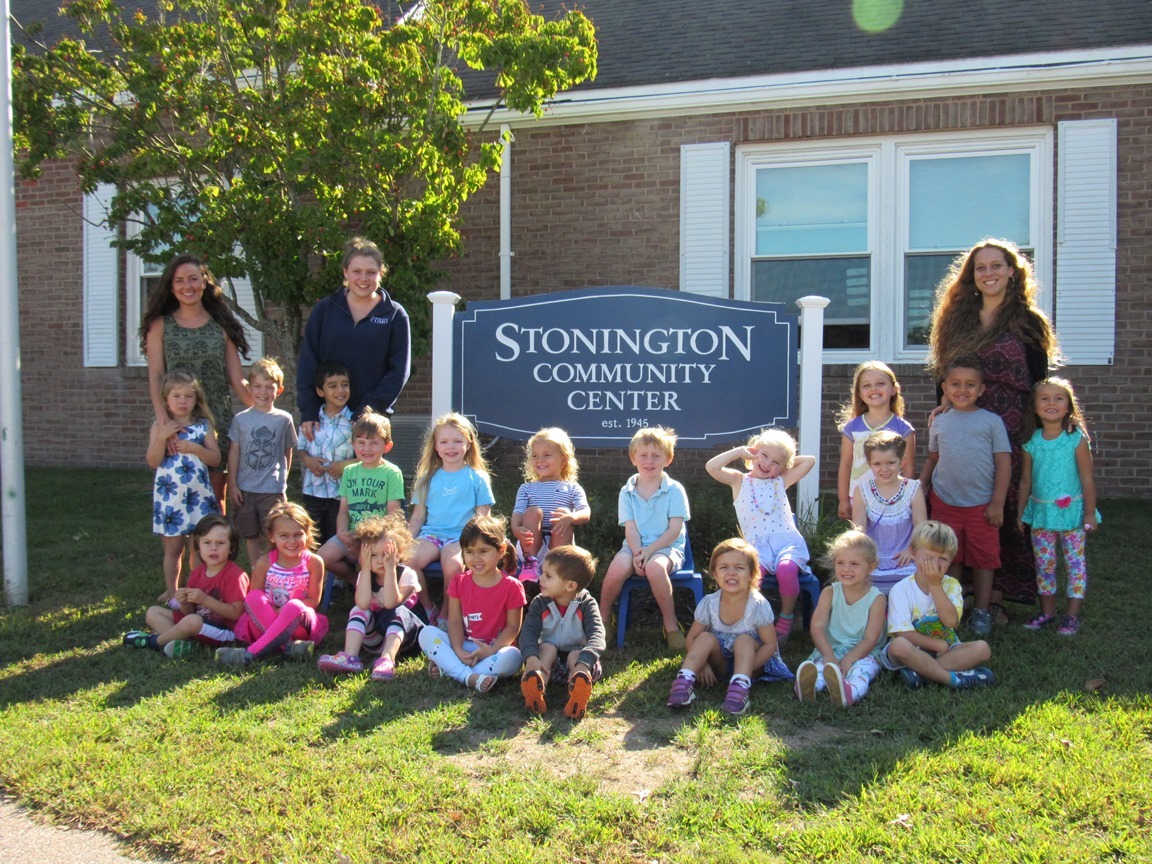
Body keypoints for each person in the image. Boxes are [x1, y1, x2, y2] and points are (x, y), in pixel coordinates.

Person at [928, 238, 1060, 612]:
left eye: (997, 265)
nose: (989, 273)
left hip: (1014, 424)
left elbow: (1039, 379)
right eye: (981, 267)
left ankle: (1000, 594)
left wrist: (1044, 427)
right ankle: (961, 589)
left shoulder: (1028, 321)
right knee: (961, 497)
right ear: (971, 276)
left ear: (1012, 272)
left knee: (1004, 504)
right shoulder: (956, 320)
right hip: (964, 424)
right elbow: (943, 373)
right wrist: (943, 405)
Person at [141, 253, 252, 507]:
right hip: (178, 420)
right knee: (178, 497)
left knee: (214, 499)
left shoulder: (221, 324)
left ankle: (214, 536)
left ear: (204, 282)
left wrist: (264, 405)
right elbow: (156, 376)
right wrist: (164, 421)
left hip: (216, 419)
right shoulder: (159, 325)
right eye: (179, 280)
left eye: (193, 279)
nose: (187, 286)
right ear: (171, 287)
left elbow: (237, 380)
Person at [920, 355, 1012, 637]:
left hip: (981, 505)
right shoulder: (939, 421)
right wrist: (921, 485)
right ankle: (952, 606)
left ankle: (982, 610)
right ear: (945, 388)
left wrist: (997, 503)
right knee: (950, 557)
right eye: (955, 384)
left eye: (970, 384)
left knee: (984, 559)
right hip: (944, 502)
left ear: (982, 389)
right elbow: (933, 457)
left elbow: (1004, 462)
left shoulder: (991, 422)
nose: (962, 389)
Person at [705, 429, 814, 644]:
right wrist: (740, 451)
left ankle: (786, 618)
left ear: (783, 468)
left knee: (786, 569)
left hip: (787, 543)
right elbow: (712, 467)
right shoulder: (739, 480)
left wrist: (785, 463)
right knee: (750, 576)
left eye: (775, 462)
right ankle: (747, 619)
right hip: (757, 547)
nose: (767, 463)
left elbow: (810, 460)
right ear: (754, 452)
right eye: (764, 455)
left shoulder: (780, 480)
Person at [297, 237, 411, 438]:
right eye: (357, 271)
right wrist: (309, 409)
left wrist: (368, 409)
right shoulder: (325, 310)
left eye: (371, 272)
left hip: (370, 422)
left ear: (381, 273)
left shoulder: (394, 314)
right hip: (325, 419)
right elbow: (308, 362)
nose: (363, 278)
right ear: (345, 272)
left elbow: (399, 372)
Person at [1018, 377, 1100, 636]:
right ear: (1034, 407)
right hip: (1042, 514)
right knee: (1044, 565)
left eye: (1058, 398)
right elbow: (1026, 480)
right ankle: (1048, 612)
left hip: (1072, 515)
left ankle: (1071, 616)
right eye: (1044, 398)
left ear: (1068, 406)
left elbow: (1087, 478)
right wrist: (1021, 513)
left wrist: (1089, 512)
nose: (1051, 403)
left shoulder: (1075, 438)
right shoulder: (1031, 442)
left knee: (1075, 564)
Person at [599, 426, 691, 652]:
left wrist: (649, 552)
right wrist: (638, 552)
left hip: (667, 547)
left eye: (656, 455)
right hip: (635, 546)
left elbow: (674, 531)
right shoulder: (627, 491)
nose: (649, 461)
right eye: (643, 455)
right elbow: (630, 529)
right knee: (617, 567)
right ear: (633, 458)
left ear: (668, 459)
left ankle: (671, 626)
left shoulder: (675, 490)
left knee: (655, 568)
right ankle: (602, 619)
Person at [666, 538, 780, 716]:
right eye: (724, 567)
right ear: (714, 573)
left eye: (739, 568)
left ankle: (740, 687)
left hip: (752, 664)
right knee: (704, 637)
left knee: (744, 640)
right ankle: (684, 681)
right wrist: (702, 665)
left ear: (752, 574)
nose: (731, 573)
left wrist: (745, 668)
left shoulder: (757, 604)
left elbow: (770, 644)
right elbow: (692, 638)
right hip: (721, 663)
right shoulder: (709, 603)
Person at [880, 521, 995, 690]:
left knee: (982, 648)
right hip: (912, 649)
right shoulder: (901, 589)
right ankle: (953, 679)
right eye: (929, 557)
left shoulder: (952, 585)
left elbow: (951, 622)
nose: (935, 564)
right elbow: (902, 633)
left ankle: (920, 673)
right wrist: (936, 645)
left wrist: (935, 585)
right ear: (913, 552)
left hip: (946, 649)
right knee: (899, 646)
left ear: (951, 561)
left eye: (943, 559)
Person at [417, 515, 526, 693]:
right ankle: (469, 676)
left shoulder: (512, 587)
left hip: (496, 650)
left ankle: (452, 670)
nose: (476, 558)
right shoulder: (459, 582)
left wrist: (491, 651)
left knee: (514, 657)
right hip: (466, 646)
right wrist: (459, 650)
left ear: (500, 551)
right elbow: (454, 622)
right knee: (427, 633)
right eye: (469, 551)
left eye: (483, 551)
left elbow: (513, 627)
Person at [406, 413, 495, 623]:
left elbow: (483, 516)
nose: (451, 447)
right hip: (431, 535)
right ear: (436, 446)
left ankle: (447, 614)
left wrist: (476, 542)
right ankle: (427, 608)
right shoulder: (427, 478)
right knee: (408, 560)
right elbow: (418, 517)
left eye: (457, 441)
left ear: (468, 444)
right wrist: (405, 541)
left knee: (453, 566)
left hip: (460, 537)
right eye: (444, 441)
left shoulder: (477, 477)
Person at [216, 502, 328, 666]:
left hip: (298, 626)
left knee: (295, 606)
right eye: (284, 535)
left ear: (307, 533)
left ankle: (250, 654)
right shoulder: (264, 563)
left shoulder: (314, 562)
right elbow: (253, 603)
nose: (292, 541)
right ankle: (289, 647)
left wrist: (283, 612)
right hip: (264, 621)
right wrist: (273, 613)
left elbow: (313, 601)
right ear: (271, 536)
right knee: (253, 597)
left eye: (298, 534)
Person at [317, 512, 426, 679]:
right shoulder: (366, 575)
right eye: (373, 555)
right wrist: (365, 569)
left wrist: (390, 571)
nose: (381, 560)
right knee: (358, 609)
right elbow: (362, 603)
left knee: (399, 612)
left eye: (387, 554)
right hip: (375, 640)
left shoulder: (407, 574)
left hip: (406, 640)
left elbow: (391, 603)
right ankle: (350, 657)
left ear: (399, 553)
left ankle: (387, 660)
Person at [124, 513, 248, 658]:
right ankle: (185, 644)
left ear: (231, 547)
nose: (213, 548)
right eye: (207, 543)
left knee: (192, 621)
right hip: (197, 624)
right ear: (198, 547)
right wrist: (184, 602)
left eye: (220, 543)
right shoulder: (197, 573)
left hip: (226, 632)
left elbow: (236, 614)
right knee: (153, 612)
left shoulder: (235, 575)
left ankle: (154, 642)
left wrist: (205, 599)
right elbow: (190, 612)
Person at [147, 370, 221, 602]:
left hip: (199, 497)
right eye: (176, 396)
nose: (183, 401)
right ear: (166, 400)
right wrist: (162, 438)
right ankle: (172, 593)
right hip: (171, 499)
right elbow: (152, 461)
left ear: (196, 399)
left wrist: (196, 449)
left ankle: (196, 590)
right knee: (173, 549)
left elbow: (215, 459)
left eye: (188, 396)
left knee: (198, 548)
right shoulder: (160, 427)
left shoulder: (203, 426)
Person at [794, 531, 886, 707]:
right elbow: (817, 627)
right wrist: (828, 655)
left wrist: (850, 659)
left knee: (861, 672)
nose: (846, 569)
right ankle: (809, 687)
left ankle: (850, 692)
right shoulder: (829, 592)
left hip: (864, 653)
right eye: (840, 563)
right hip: (832, 649)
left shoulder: (876, 598)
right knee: (820, 667)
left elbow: (870, 639)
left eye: (854, 564)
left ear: (871, 567)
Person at [316, 410, 405, 585]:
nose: (367, 449)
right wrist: (342, 531)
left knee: (368, 559)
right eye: (361, 443)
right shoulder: (349, 471)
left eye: (374, 443)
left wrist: (372, 540)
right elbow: (343, 510)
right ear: (353, 444)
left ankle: (373, 590)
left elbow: (393, 515)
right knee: (322, 557)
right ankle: (355, 581)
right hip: (352, 534)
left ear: (387, 446)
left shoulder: (392, 473)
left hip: (378, 538)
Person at [519, 545, 605, 720]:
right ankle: (536, 684)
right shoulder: (539, 603)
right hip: (550, 665)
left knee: (575, 654)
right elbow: (528, 632)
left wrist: (584, 663)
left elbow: (597, 636)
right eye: (542, 572)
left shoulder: (587, 605)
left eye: (548, 576)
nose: (540, 578)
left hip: (582, 665)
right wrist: (531, 657)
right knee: (547, 648)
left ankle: (578, 689)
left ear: (570, 586)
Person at [227, 357, 298, 567]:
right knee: (251, 534)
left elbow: (287, 451)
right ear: (249, 388)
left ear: (279, 390)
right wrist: (233, 485)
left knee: (274, 533)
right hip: (246, 488)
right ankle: (256, 570)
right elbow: (234, 452)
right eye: (257, 386)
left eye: (269, 387)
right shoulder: (241, 419)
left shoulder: (284, 419)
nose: (263, 392)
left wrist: (282, 480)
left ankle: (275, 571)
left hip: (271, 489)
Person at [836, 362, 916, 520]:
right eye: (866, 385)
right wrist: (843, 499)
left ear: (894, 389)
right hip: (859, 497)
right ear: (859, 393)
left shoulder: (903, 428)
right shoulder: (852, 427)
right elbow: (845, 464)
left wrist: (906, 498)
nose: (874, 389)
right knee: (861, 534)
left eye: (880, 383)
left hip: (893, 497)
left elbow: (908, 467)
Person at [510, 427, 591, 584]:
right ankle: (530, 563)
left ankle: (558, 568)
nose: (540, 460)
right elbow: (518, 512)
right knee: (533, 512)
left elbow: (585, 512)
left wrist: (572, 517)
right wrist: (516, 528)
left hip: (559, 543)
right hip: (533, 544)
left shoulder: (573, 488)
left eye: (547, 455)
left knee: (564, 513)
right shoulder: (526, 488)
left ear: (563, 459)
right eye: (535, 456)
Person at [851, 431, 927, 595]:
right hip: (874, 559)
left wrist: (912, 549)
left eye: (891, 462)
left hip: (905, 558)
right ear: (869, 463)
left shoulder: (913, 488)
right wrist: (865, 556)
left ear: (902, 461)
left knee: (918, 578)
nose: (884, 469)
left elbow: (921, 526)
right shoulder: (862, 490)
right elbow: (859, 528)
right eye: (877, 464)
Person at [298, 363, 355, 544]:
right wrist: (308, 460)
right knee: (311, 539)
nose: (340, 390)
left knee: (336, 540)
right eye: (333, 386)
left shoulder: (354, 422)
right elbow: (301, 448)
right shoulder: (311, 421)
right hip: (313, 491)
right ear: (320, 391)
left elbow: (365, 456)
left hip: (341, 495)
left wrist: (344, 465)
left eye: (345, 385)